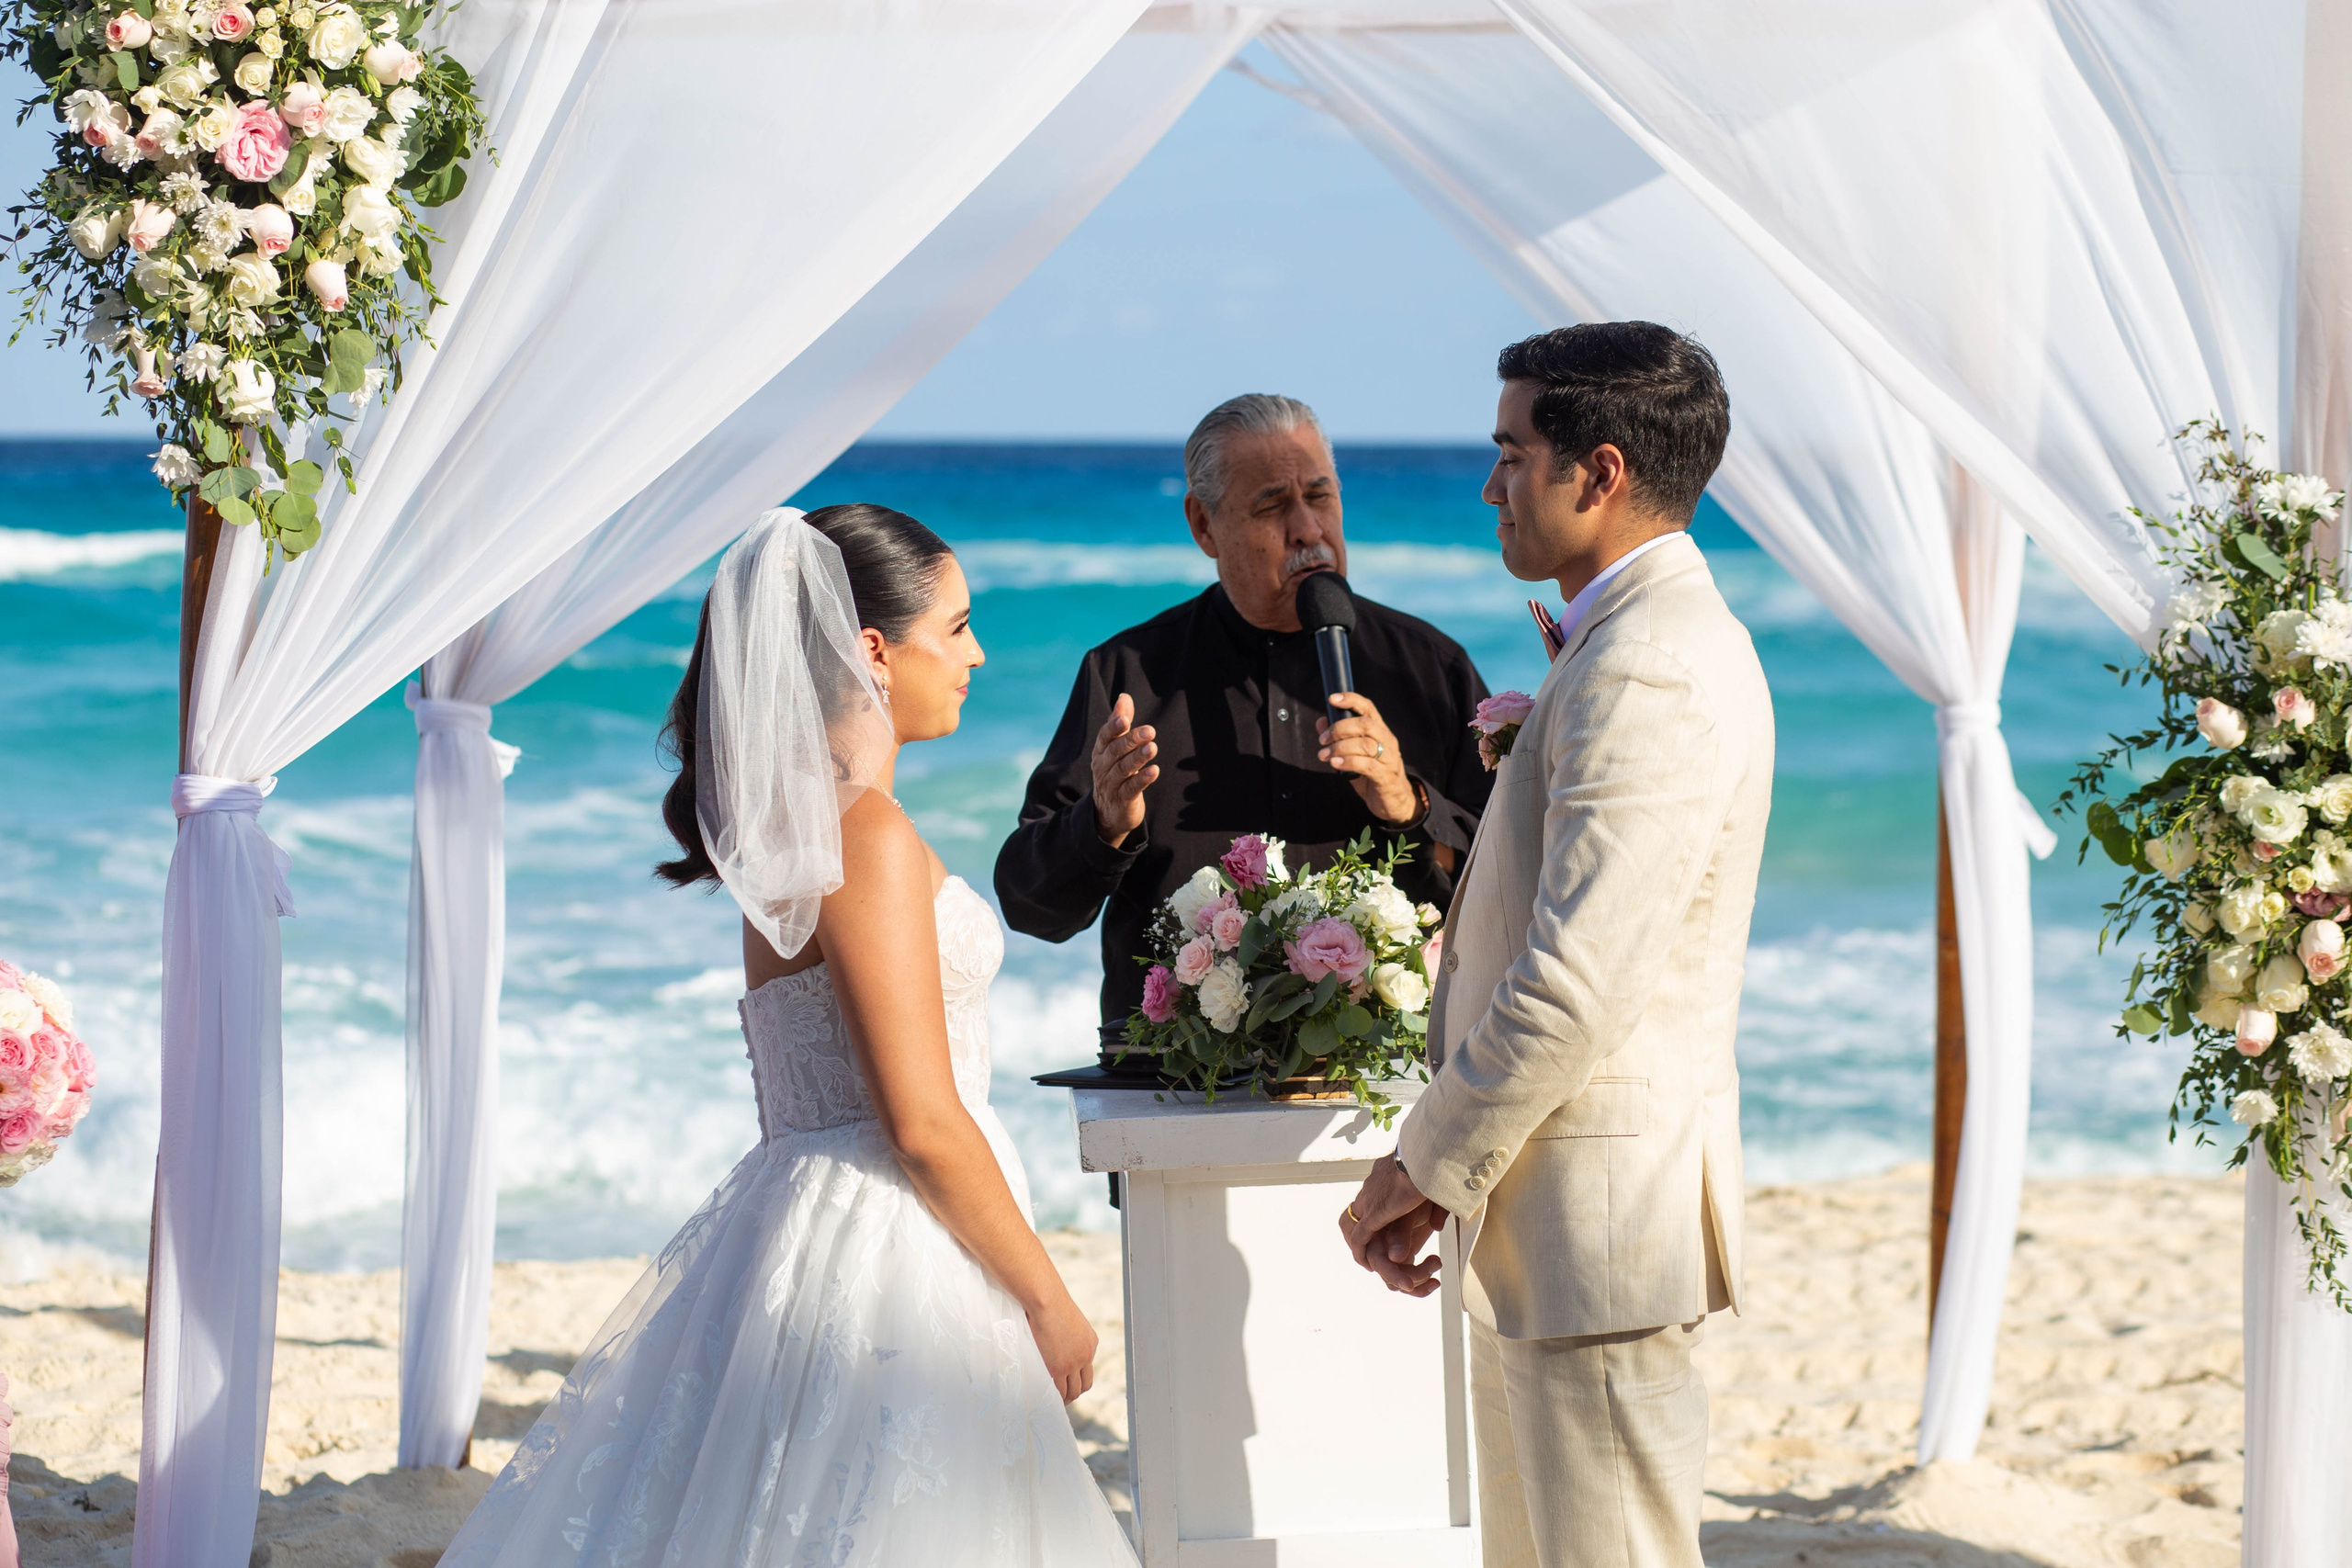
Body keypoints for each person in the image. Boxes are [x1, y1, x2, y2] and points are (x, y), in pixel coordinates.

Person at [439, 505, 1136, 1567]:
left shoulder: (806, 825)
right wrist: (1048, 1296)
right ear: (871, 649)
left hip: (813, 1217)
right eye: (954, 628)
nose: (976, 654)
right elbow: (918, 1117)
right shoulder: (864, 834)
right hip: (894, 1236)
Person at [1338, 324, 1774, 1568]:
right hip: (1549, 1221)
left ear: (1602, 470)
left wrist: (1422, 1160)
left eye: (1512, 453)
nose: (1490, 486)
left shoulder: (1650, 665)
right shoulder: (1617, 644)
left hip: (1600, 1227)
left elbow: (1574, 979)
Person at [996, 394, 1493, 1055]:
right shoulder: (1129, 676)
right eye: (1272, 506)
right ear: (1204, 525)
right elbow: (1031, 907)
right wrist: (1103, 824)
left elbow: (1510, 892)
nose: (1307, 529)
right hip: (1172, 1092)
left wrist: (1410, 807)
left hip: (1386, 1090)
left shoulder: (1428, 668)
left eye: (1321, 497)